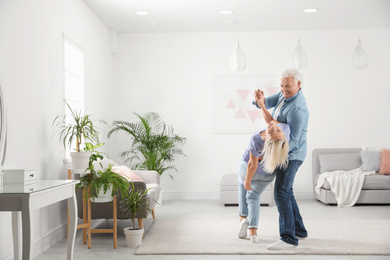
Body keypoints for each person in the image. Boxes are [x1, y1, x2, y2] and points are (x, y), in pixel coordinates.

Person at [253, 68, 309, 250]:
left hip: (292, 155)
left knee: (281, 193)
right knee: (288, 192)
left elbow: (293, 141)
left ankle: (289, 239)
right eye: (282, 86)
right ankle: (299, 230)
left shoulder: (297, 109)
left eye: (288, 86)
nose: (284, 89)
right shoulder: (284, 95)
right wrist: (259, 101)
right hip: (284, 152)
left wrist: (272, 154)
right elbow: (267, 102)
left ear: (299, 84)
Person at [238, 93, 290, 243]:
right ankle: (253, 232)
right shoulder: (285, 130)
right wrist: (262, 104)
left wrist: (248, 181)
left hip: (247, 169)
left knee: (243, 188)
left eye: (271, 133)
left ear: (267, 142)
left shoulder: (257, 138)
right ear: (283, 136)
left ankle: (242, 219)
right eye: (276, 131)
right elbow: (272, 121)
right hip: (267, 175)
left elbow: (252, 165)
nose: (273, 128)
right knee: (253, 197)